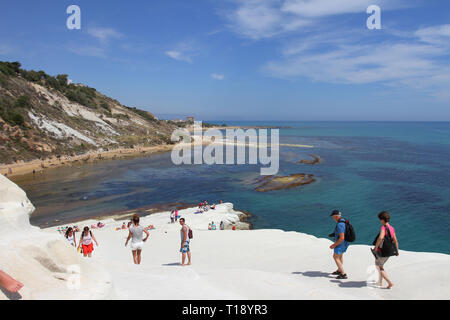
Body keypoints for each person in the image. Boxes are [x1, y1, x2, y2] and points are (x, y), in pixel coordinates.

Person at [372, 211, 399, 289]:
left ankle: (389, 283)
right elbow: (395, 240)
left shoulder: (383, 228)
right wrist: (396, 251)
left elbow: (380, 238)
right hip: (390, 251)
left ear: (383, 220)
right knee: (381, 265)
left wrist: (375, 248)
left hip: (382, 251)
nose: (380, 221)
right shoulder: (392, 228)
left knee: (379, 267)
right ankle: (380, 283)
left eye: (380, 219)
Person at [329, 210, 349, 279]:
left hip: (340, 243)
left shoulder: (340, 224)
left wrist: (334, 245)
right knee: (340, 256)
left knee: (335, 257)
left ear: (336, 216)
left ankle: (343, 274)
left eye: (333, 217)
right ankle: (339, 270)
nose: (333, 218)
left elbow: (341, 237)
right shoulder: (344, 221)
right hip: (345, 243)